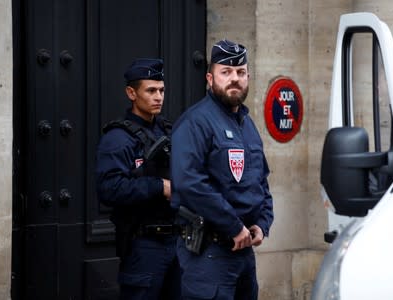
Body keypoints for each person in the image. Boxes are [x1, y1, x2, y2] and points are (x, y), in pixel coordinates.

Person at [171, 40, 274, 299]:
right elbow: (189, 182)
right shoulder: (196, 122)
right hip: (209, 255)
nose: (234, 79)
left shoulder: (247, 125)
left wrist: (262, 224)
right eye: (225, 72)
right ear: (210, 78)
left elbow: (261, 181)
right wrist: (233, 226)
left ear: (248, 76)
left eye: (240, 72)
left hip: (244, 254)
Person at [96, 58, 180, 300]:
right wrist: (158, 186)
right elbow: (108, 188)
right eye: (151, 90)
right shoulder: (118, 139)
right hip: (144, 246)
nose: (158, 97)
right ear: (131, 93)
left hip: (177, 242)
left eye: (162, 90)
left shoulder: (168, 130)